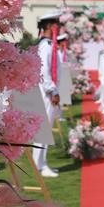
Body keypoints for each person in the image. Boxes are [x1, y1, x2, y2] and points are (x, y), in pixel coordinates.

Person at [35, 12, 63, 178]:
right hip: (46, 93)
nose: (57, 29)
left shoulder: (49, 44)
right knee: (43, 130)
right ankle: (40, 165)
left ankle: (42, 163)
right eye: (55, 25)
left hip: (49, 92)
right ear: (49, 27)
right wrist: (52, 90)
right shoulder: (45, 46)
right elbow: (44, 72)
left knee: (45, 129)